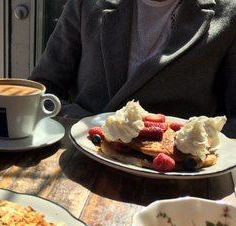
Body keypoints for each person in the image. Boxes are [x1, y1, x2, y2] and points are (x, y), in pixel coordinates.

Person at [29, 0, 236, 136]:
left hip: (175, 180)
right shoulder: (87, 4)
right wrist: (82, 123)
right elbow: (44, 87)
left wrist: (195, 144)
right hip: (83, 162)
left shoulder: (229, 14)